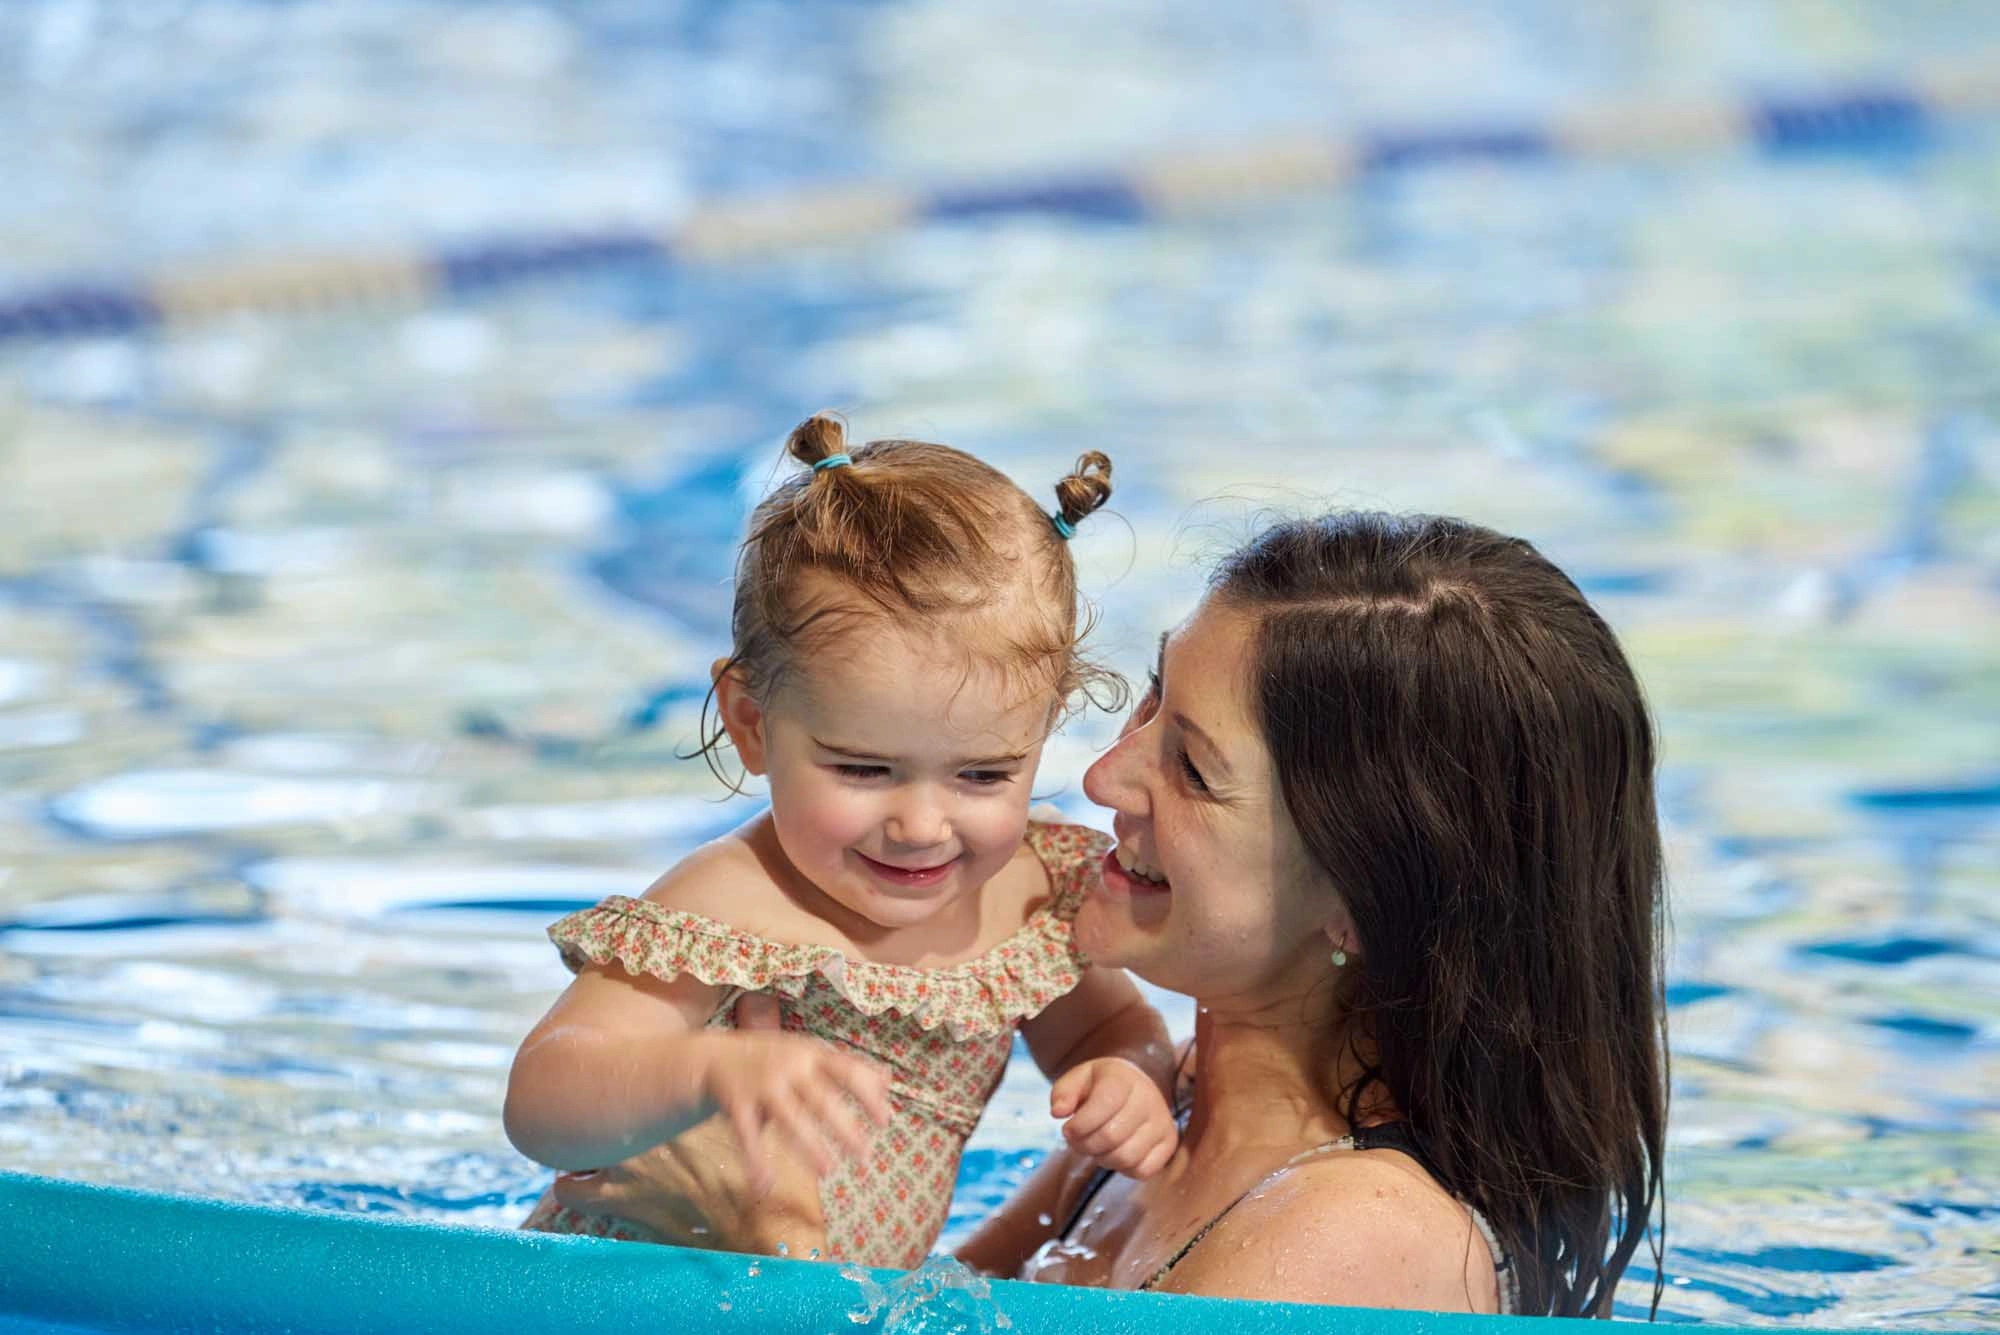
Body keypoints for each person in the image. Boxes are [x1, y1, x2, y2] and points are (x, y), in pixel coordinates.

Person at [549, 511, 1670, 1319]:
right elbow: (909, 1310)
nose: (1100, 778)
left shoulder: (1350, 1241)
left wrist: (765, 1253)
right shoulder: (1158, 1112)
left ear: (1360, 902)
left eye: (1187, 767)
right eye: (1148, 700)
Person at [504, 414, 1180, 1271]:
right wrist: (703, 1074)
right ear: (752, 723)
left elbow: (1111, 1026)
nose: (921, 825)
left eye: (983, 775)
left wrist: (1128, 1077)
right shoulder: (728, 908)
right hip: (616, 1299)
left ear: (1043, 732)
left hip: (820, 1298)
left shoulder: (1028, 895)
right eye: (864, 769)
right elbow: (541, 1101)